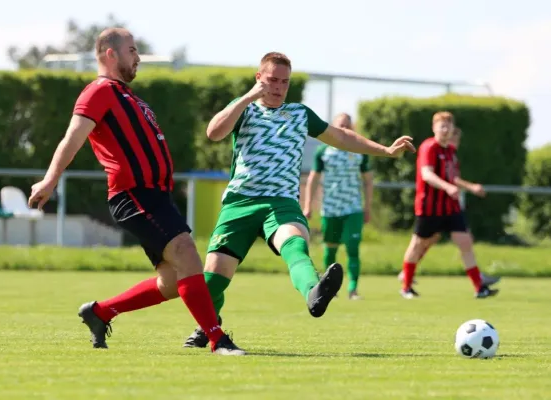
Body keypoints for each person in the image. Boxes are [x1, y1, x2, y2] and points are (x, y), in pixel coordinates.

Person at [27, 27, 244, 355]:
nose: (138, 57)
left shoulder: (128, 96)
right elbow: (73, 136)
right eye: (132, 50)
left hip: (156, 196)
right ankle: (218, 339)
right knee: (186, 252)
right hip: (133, 194)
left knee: (171, 283)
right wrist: (50, 179)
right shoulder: (98, 91)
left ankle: (100, 312)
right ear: (110, 54)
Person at [182, 51, 415, 349]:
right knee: (213, 277)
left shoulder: (299, 114)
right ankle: (208, 327)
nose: (278, 87)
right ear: (258, 78)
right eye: (272, 80)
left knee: (295, 242)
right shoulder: (245, 110)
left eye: (285, 82)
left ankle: (313, 291)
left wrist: (385, 150)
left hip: (281, 202)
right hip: (240, 202)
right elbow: (214, 132)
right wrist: (248, 96)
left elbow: (341, 137)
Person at [399, 112, 499, 299]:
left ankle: (480, 288)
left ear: (453, 129)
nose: (445, 130)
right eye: (441, 126)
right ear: (434, 128)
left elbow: (452, 177)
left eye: (448, 126)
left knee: (465, 242)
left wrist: (470, 187)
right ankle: (406, 287)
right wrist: (447, 187)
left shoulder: (450, 151)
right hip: (429, 207)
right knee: (418, 244)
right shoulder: (429, 147)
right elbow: (427, 174)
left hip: (450, 207)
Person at [303, 113, 373, 300]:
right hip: (330, 208)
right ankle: (330, 289)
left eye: (348, 126)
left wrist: (367, 207)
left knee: (352, 247)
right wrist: (308, 205)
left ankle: (353, 289)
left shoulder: (359, 152)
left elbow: (368, 181)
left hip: (353, 208)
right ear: (333, 127)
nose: (344, 129)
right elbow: (313, 179)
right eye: (341, 125)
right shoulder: (323, 152)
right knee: (330, 248)